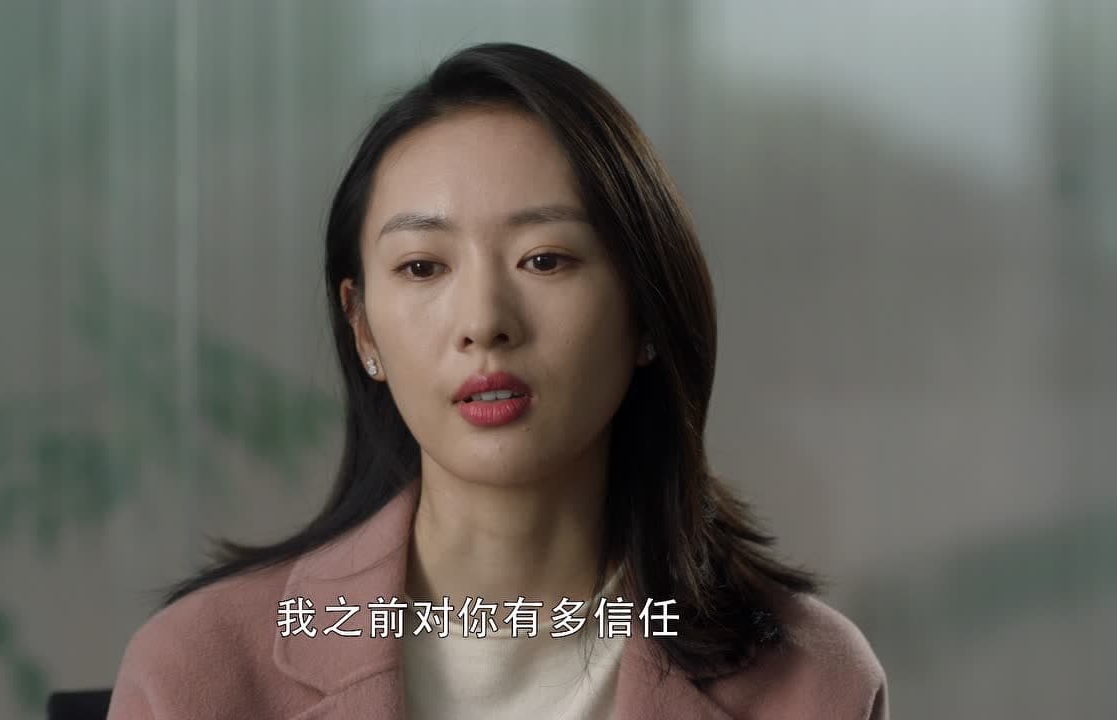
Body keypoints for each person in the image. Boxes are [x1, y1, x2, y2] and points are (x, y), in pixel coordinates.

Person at [105, 42, 887, 720]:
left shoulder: (810, 682)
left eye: (544, 259)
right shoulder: (197, 671)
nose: (483, 322)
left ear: (645, 311)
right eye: (423, 267)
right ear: (364, 328)